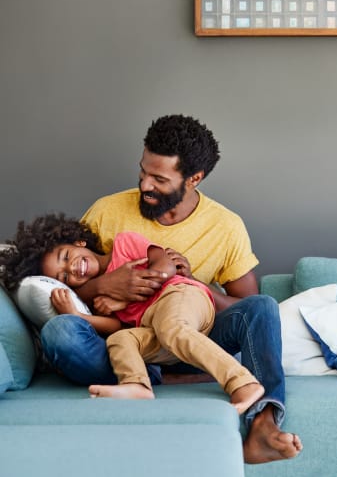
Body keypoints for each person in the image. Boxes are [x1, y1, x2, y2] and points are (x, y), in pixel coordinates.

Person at [39, 114, 302, 464]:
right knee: (61, 334)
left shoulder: (225, 227)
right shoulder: (106, 212)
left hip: (193, 328)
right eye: (143, 171)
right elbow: (70, 276)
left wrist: (192, 283)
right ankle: (150, 379)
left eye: (159, 179)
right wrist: (105, 285)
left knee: (263, 307)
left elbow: (244, 307)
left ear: (194, 178)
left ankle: (263, 424)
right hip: (136, 340)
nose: (145, 185)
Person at [1, 214, 264, 414]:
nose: (73, 268)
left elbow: (165, 265)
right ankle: (138, 386)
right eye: (64, 276)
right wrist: (77, 315)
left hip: (181, 295)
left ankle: (242, 383)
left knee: (172, 327)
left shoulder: (124, 244)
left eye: (67, 256)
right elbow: (116, 327)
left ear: (78, 242)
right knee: (122, 341)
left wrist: (134, 288)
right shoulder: (97, 298)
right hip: (153, 324)